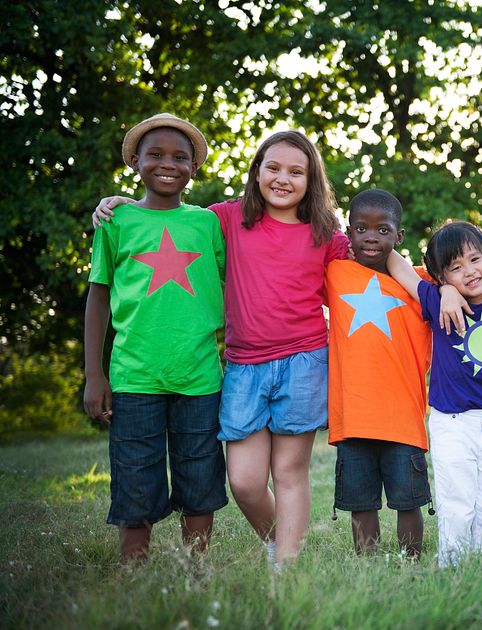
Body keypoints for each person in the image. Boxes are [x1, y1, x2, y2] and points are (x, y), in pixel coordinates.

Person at [93, 130, 348, 570]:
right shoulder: (225, 219)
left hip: (304, 361)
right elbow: (167, 217)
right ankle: (278, 539)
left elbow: (371, 258)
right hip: (244, 366)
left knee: (290, 472)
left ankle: (287, 564)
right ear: (256, 172)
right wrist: (119, 201)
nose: (282, 178)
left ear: (312, 180)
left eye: (295, 171)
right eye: (273, 167)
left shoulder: (325, 233)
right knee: (244, 482)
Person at [84, 113, 227, 562]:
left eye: (181, 157)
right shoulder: (116, 222)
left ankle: (196, 568)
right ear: (134, 162)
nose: (169, 164)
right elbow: (98, 296)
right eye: (156, 155)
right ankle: (135, 572)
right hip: (133, 376)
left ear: (194, 168)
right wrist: (94, 374)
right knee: (135, 479)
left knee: (200, 477)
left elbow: (235, 282)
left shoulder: (208, 224)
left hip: (200, 375)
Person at [387, 220, 482, 568]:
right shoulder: (437, 301)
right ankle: (453, 565)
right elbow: (395, 262)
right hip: (452, 422)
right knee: (456, 500)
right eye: (455, 268)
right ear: (442, 276)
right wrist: (442, 289)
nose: (469, 272)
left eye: (476, 260)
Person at [325, 189, 433, 559]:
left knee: (409, 501)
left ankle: (411, 565)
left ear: (399, 236)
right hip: (353, 415)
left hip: (402, 416)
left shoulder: (421, 286)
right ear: (348, 233)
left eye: (383, 230)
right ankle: (367, 565)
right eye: (361, 228)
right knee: (360, 502)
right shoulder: (335, 273)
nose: (371, 237)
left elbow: (470, 267)